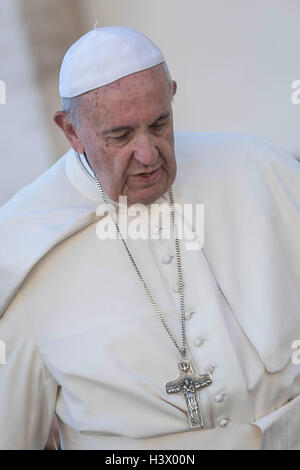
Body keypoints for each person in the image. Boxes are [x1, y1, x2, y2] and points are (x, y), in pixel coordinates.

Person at [0, 25, 300, 450]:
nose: (147, 154)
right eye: (119, 136)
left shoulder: (260, 171)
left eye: (160, 125)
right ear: (71, 131)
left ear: (172, 95)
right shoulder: (21, 245)